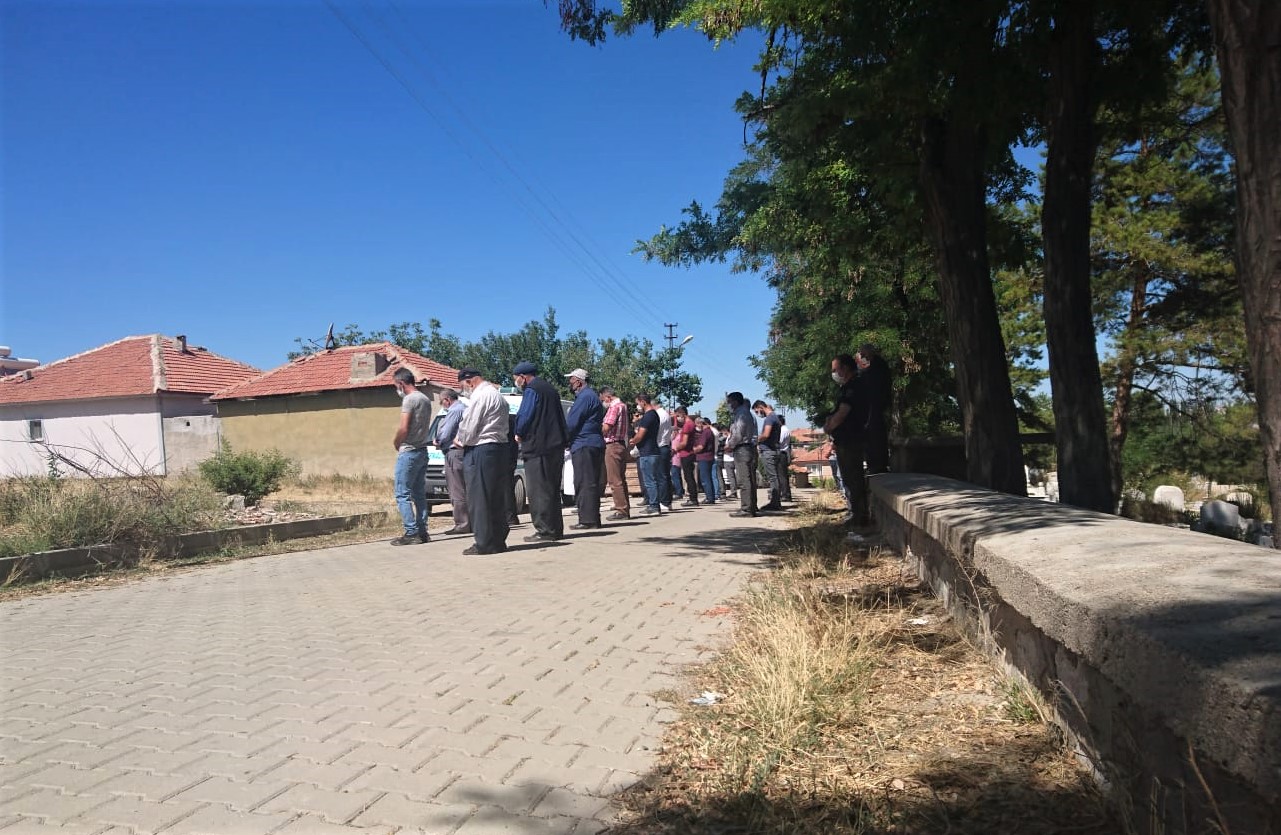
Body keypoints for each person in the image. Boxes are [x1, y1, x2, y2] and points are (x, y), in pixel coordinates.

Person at [454, 368, 512, 554]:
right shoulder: (498, 396)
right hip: (499, 448)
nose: (462, 390)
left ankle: (484, 543)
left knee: (479, 497)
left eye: (462, 385)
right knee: (495, 497)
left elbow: (470, 426)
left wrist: (460, 440)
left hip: (481, 449)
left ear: (470, 381)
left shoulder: (480, 396)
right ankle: (497, 540)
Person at [512, 361, 569, 544]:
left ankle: (544, 530)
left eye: (516, 379)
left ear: (523, 377)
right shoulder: (550, 389)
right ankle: (555, 529)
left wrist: (519, 432)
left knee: (538, 489)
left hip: (538, 447)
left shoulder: (532, 390)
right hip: (555, 446)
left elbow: (525, 414)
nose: (516, 383)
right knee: (552, 489)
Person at [825, 354, 870, 526]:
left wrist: (830, 425)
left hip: (851, 439)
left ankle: (859, 517)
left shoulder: (853, 386)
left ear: (845, 368)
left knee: (853, 479)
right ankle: (855, 513)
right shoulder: (846, 387)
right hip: (845, 440)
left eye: (835, 370)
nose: (834, 373)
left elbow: (843, 413)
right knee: (849, 480)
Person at [390, 368, 432, 546]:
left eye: (396, 385)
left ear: (401, 383)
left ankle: (411, 531)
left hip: (409, 450)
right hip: (422, 449)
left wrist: (396, 442)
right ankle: (423, 531)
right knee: (419, 494)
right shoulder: (425, 399)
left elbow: (404, 427)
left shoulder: (409, 400)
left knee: (402, 494)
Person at [564, 368, 604, 530]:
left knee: (584, 482)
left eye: (571, 380)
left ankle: (588, 520)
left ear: (579, 381)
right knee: (591, 482)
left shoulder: (584, 397)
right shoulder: (592, 396)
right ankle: (592, 517)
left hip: (584, 444)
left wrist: (563, 439)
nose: (570, 383)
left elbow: (572, 423)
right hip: (592, 443)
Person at [434, 388, 470, 536]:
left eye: (441, 402)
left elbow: (447, 432)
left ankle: (462, 523)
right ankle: (469, 521)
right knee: (464, 487)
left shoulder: (455, 411)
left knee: (457, 488)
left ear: (447, 400)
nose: (442, 405)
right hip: (462, 452)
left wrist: (438, 440)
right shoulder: (465, 408)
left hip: (454, 452)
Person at [856, 343, 892, 475]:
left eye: (863, 354)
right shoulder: (869, 366)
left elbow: (874, 385)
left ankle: (879, 464)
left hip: (875, 404)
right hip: (869, 405)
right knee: (868, 436)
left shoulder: (878, 365)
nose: (862, 356)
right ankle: (873, 464)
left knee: (875, 435)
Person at [600, 386, 632, 521]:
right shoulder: (623, 406)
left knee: (614, 480)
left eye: (602, 399)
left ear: (607, 396)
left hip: (612, 445)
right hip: (620, 444)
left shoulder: (614, 407)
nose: (603, 402)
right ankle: (624, 507)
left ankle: (621, 510)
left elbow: (607, 427)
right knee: (620, 478)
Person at [725, 392, 759, 517]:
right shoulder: (742, 413)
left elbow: (738, 434)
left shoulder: (741, 414)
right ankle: (750, 507)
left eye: (729, 402)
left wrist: (730, 445)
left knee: (744, 480)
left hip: (742, 449)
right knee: (747, 479)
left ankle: (747, 509)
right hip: (744, 448)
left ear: (735, 401)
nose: (728, 405)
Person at [630, 393, 662, 516]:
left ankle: (653, 506)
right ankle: (654, 504)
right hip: (652, 450)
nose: (638, 406)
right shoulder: (654, 415)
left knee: (649, 480)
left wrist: (633, 440)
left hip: (648, 452)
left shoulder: (648, 416)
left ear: (643, 402)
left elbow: (641, 435)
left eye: (638, 403)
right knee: (652, 479)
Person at [754, 400, 785, 512]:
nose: (758, 414)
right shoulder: (775, 417)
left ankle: (775, 502)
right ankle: (776, 501)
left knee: (772, 477)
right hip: (775, 450)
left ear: (760, 406)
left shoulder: (769, 418)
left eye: (757, 411)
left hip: (769, 451)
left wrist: (756, 440)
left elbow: (766, 434)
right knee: (774, 476)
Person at [672, 406, 700, 506]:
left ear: (683, 413)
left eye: (678, 415)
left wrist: (675, 448)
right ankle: (693, 498)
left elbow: (684, 443)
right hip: (688, 453)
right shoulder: (690, 424)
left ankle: (693, 498)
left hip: (686, 453)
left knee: (688, 477)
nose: (678, 418)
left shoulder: (688, 425)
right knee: (689, 476)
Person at [655, 400, 675, 511]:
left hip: (660, 446)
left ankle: (664, 501)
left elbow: (656, 431)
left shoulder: (659, 414)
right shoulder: (666, 414)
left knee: (661, 476)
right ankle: (668, 501)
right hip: (665, 445)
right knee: (666, 476)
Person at [693, 416, 718, 503]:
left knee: (705, 478)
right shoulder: (709, 432)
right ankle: (711, 496)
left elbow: (701, 447)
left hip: (704, 457)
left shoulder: (705, 433)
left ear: (701, 423)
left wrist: (692, 450)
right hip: (709, 457)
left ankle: (709, 497)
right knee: (709, 478)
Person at [778, 415, 794, 502]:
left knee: (782, 476)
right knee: (782, 475)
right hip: (783, 453)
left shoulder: (783, 430)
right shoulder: (785, 429)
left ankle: (785, 494)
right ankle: (785, 493)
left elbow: (779, 441)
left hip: (781, 453)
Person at [720, 424, 738, 500]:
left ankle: (733, 492)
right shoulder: (729, 437)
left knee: (731, 476)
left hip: (729, 459)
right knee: (732, 476)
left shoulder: (730, 438)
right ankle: (733, 491)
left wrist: (723, 449)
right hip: (729, 458)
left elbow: (729, 447)